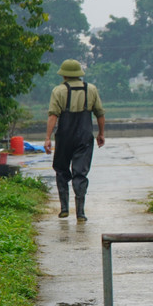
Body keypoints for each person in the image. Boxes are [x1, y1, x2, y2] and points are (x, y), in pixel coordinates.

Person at [44, 59, 105, 222]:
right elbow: (100, 113)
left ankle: (64, 208)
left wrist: (47, 138)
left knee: (62, 170)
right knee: (80, 173)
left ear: (64, 75)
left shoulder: (58, 91)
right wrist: (101, 134)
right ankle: (80, 212)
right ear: (79, 74)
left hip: (64, 137)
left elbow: (53, 116)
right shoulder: (91, 89)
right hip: (85, 137)